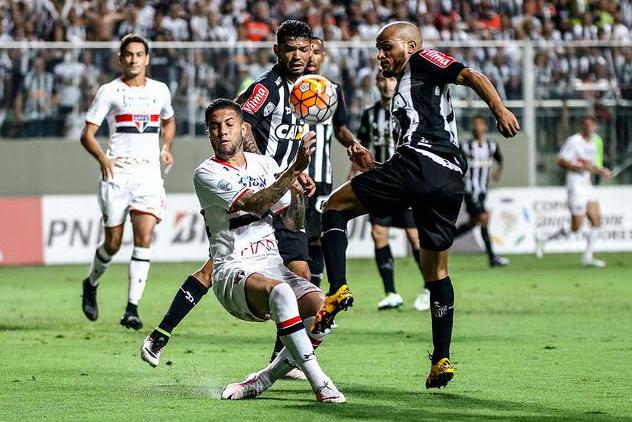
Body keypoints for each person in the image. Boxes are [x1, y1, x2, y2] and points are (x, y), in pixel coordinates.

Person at [313, 21, 519, 389]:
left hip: (421, 163)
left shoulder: (422, 60)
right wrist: (376, 167)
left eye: (386, 46)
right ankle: (441, 359)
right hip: (447, 177)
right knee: (436, 272)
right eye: (377, 48)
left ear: (409, 46)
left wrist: (499, 109)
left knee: (334, 207)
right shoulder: (408, 89)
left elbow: (471, 74)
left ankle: (338, 288)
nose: (380, 55)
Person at [141, 99, 345, 403]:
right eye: (214, 126)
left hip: (271, 264)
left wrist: (298, 194)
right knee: (282, 294)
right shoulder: (206, 173)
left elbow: (290, 220)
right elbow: (255, 203)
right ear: (208, 134)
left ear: (242, 128)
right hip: (232, 271)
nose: (222, 132)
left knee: (325, 310)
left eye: (229, 124)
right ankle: (322, 385)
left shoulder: (264, 165)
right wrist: (294, 171)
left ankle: (262, 380)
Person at [80, 34, 176, 329]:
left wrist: (166, 147)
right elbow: (86, 135)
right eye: (129, 54)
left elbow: (169, 120)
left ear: (147, 59)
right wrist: (103, 159)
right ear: (120, 59)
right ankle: (91, 282)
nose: (134, 59)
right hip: (117, 174)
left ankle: (132, 308)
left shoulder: (160, 90)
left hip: (148, 175)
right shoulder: (110, 91)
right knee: (112, 244)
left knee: (144, 237)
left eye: (139, 54)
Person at [356, 70, 430, 311]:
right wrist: (354, 169)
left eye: (390, 79)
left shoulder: (409, 110)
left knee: (415, 237)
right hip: (380, 184)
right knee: (379, 233)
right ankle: (391, 292)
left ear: (396, 83)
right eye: (382, 80)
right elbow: (363, 145)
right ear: (377, 84)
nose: (386, 84)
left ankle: (430, 288)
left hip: (405, 183)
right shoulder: (369, 115)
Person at [535, 116, 611, 267]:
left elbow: (591, 165)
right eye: (586, 125)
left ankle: (587, 257)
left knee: (596, 220)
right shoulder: (574, 141)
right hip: (575, 185)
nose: (589, 128)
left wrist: (602, 170)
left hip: (587, 184)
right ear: (582, 127)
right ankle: (544, 240)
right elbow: (561, 161)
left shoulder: (594, 142)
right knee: (576, 227)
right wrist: (579, 167)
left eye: (592, 125)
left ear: (595, 127)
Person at [455, 115, 510, 267]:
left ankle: (446, 237)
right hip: (470, 190)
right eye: (474, 125)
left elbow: (500, 160)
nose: (476, 127)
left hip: (483, 191)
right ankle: (492, 257)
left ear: (485, 127)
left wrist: (498, 172)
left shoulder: (492, 145)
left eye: (479, 124)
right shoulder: (465, 146)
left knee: (474, 222)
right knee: (484, 218)